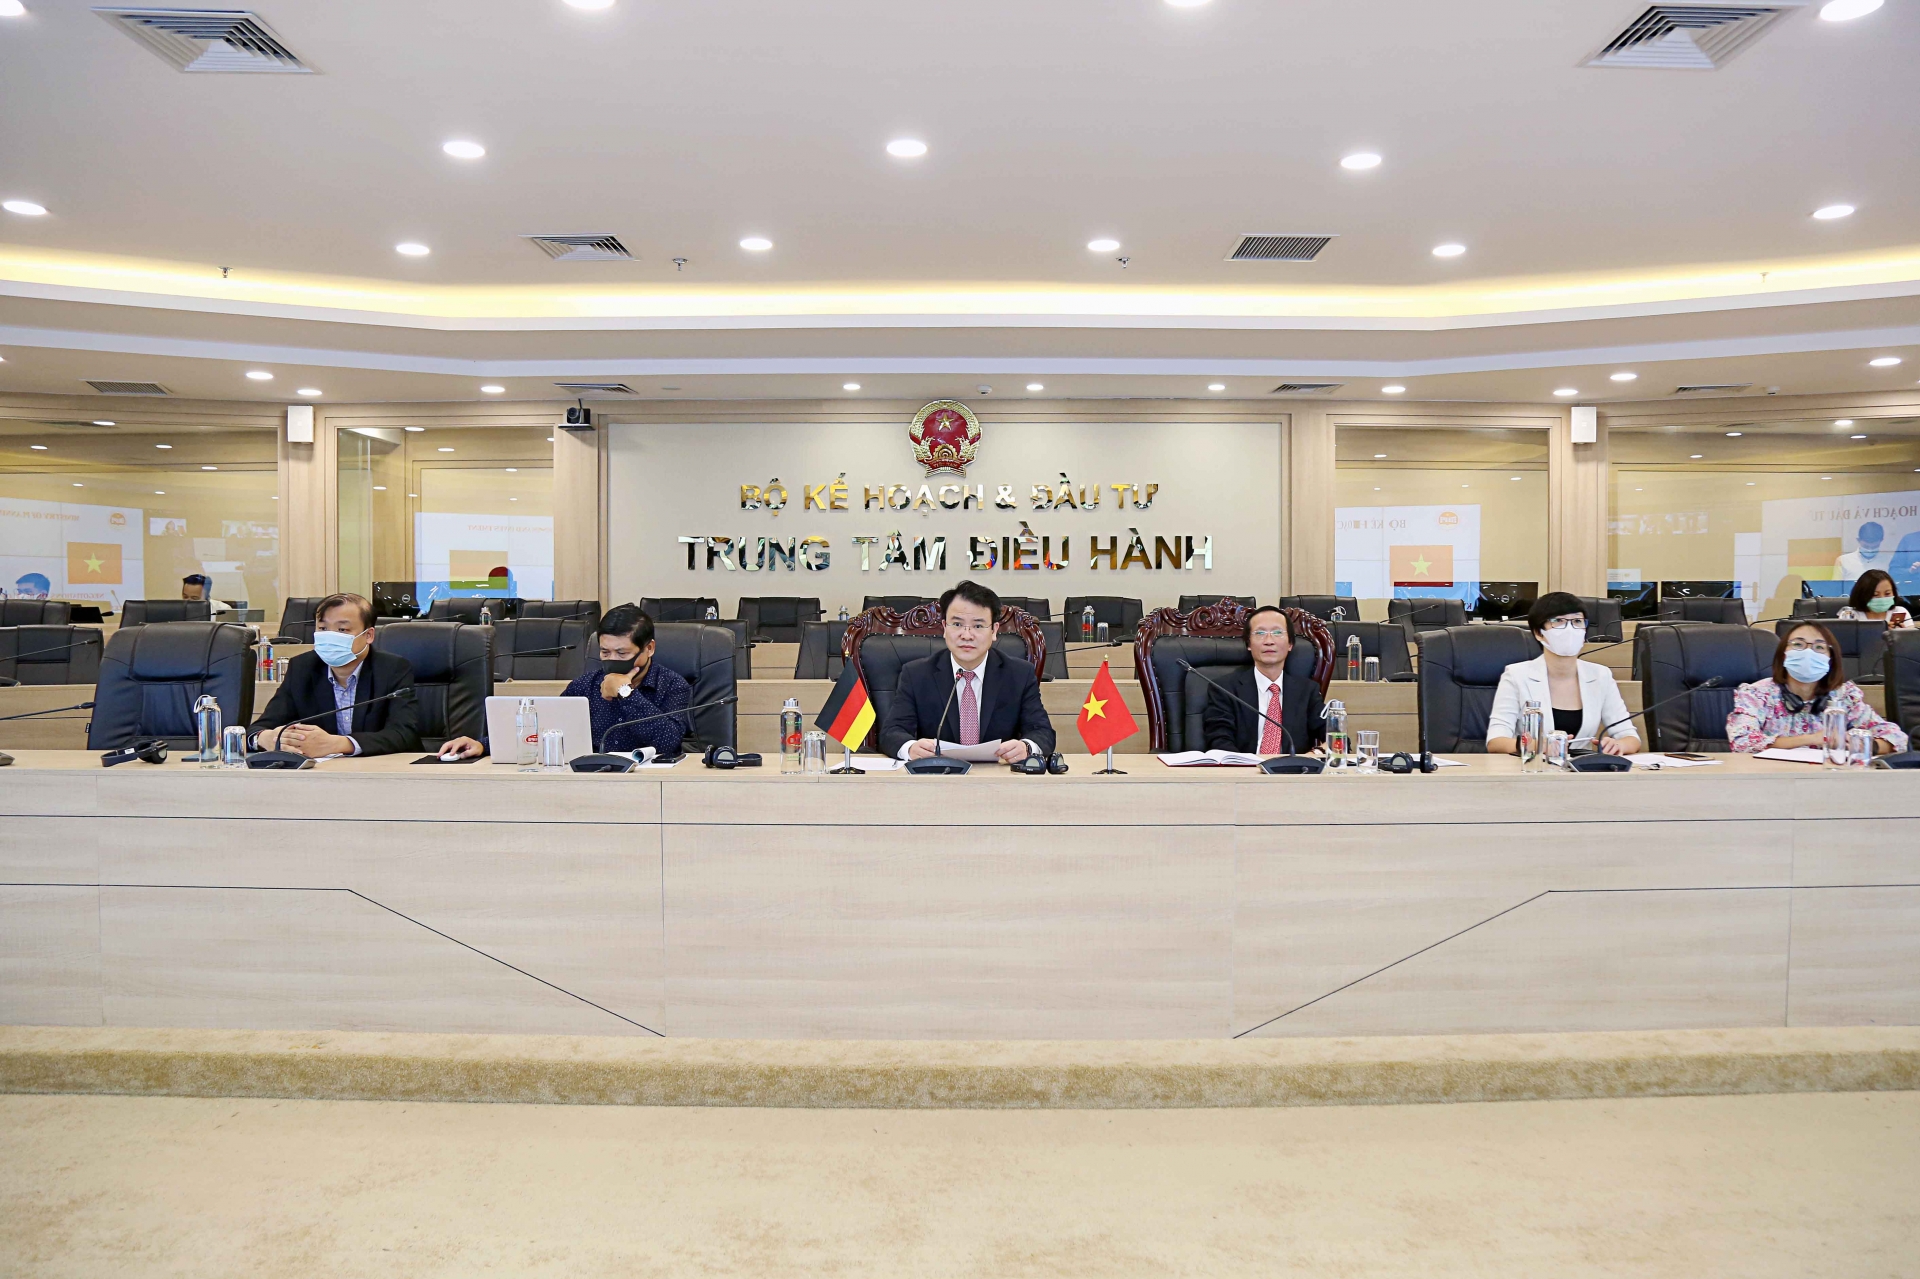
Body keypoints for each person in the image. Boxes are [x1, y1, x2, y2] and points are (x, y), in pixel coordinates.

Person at [437, 603, 692, 759]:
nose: (612, 660)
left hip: (650, 785)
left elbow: (668, 742)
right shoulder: (584, 686)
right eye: (605, 653)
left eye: (622, 653)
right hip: (589, 782)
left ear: (649, 648)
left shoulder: (672, 685)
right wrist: (482, 745)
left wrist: (625, 692)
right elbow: (546, 729)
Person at [878, 580, 1055, 763]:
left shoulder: (1019, 674)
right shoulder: (916, 674)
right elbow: (892, 732)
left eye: (978, 626)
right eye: (957, 624)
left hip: (997, 775)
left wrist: (1027, 747)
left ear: (994, 630)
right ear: (944, 627)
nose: (967, 635)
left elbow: (1042, 732)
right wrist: (910, 748)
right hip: (938, 774)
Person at [249, 592, 420, 757]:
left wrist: (340, 744)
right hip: (321, 771)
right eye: (323, 628)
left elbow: (404, 734)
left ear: (368, 635)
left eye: (342, 629)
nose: (330, 636)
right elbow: (259, 728)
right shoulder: (302, 668)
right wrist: (265, 738)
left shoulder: (392, 669)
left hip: (380, 769)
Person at [1487, 591, 1640, 756]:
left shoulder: (1600, 675)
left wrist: (1618, 745)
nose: (1570, 629)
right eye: (1558, 621)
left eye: (1577, 621)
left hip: (1582, 769)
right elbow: (1496, 741)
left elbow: (1630, 737)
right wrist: (1536, 745)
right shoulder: (1516, 675)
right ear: (1538, 632)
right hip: (1534, 767)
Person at [1727, 620, 1908, 755]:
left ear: (1830, 659)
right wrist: (1815, 738)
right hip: (1772, 780)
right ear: (1783, 655)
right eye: (1798, 644)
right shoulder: (1758, 694)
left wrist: (1865, 745)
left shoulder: (1844, 696)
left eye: (1819, 647)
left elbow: (1897, 738)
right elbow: (1742, 742)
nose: (1808, 652)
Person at [1201, 604, 1326, 756]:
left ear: (1290, 644)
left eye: (1277, 632)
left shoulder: (1307, 691)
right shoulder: (1225, 689)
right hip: (1244, 769)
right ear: (1248, 644)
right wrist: (1245, 766)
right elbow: (1219, 741)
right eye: (1260, 633)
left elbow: (1337, 737)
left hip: (1293, 769)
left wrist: (1315, 754)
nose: (1269, 641)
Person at [1837, 568, 1915, 628]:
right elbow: (1844, 641)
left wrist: (1902, 635)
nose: (1882, 598)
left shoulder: (1900, 612)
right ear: (1862, 594)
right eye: (1875, 595)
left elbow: (1912, 641)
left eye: (1887, 593)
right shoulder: (1850, 615)